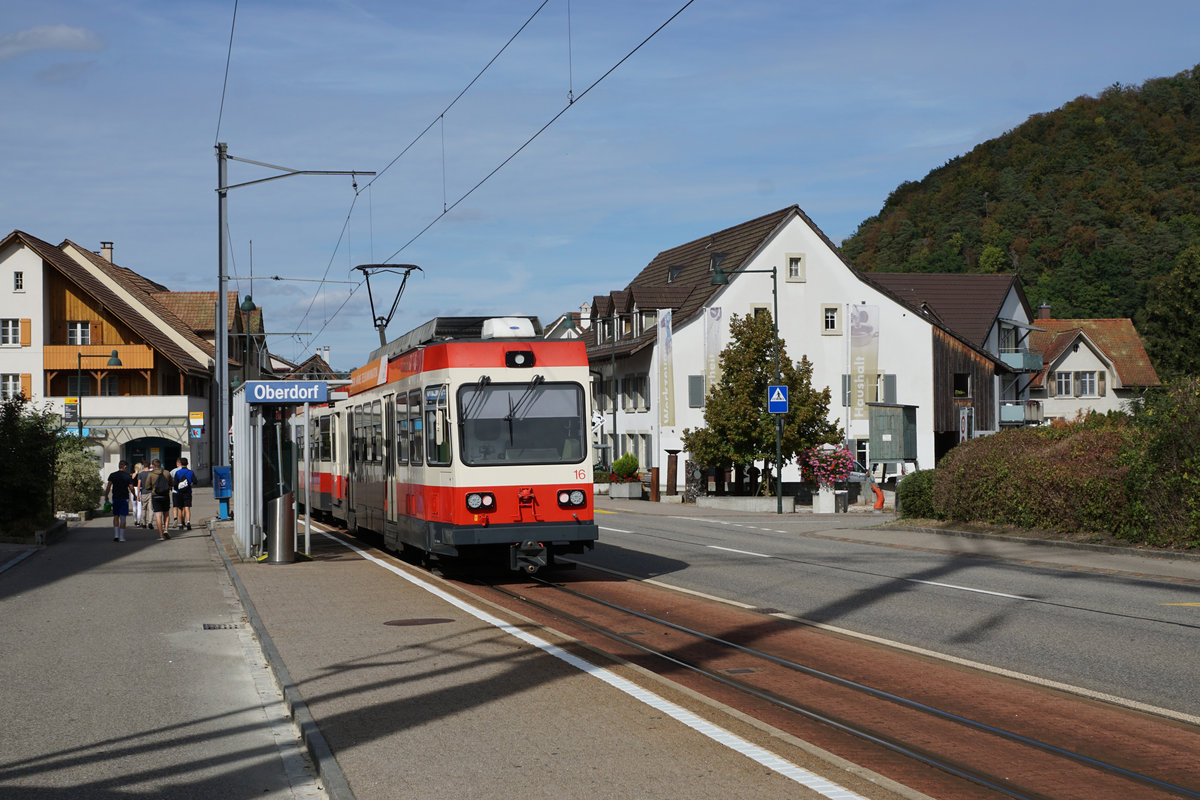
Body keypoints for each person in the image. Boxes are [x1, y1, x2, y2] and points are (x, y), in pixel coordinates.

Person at [103, 461, 135, 542]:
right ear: (124, 467)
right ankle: (121, 537)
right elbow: (131, 487)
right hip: (124, 498)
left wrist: (106, 495)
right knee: (123, 517)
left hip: (115, 497)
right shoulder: (127, 476)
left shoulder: (112, 475)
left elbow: (108, 486)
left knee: (116, 516)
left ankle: (116, 535)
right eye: (126, 467)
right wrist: (135, 495)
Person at [147, 458, 172, 540]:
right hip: (165, 495)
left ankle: (161, 535)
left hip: (155, 496)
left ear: (153, 466)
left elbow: (147, 486)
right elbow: (172, 483)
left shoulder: (151, 474)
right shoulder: (167, 472)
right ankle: (166, 529)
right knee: (166, 513)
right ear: (160, 464)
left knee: (158, 515)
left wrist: (153, 487)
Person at [172, 457, 196, 532]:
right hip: (188, 492)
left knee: (180, 508)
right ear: (187, 463)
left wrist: (177, 488)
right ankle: (188, 522)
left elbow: (175, 484)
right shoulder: (191, 472)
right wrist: (190, 485)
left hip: (179, 493)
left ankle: (181, 524)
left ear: (180, 464)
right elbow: (195, 481)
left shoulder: (178, 472)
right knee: (187, 508)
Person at [135, 462, 154, 528]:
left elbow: (139, 485)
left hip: (143, 492)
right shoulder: (152, 473)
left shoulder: (140, 474)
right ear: (149, 466)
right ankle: (150, 522)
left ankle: (143, 523)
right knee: (150, 508)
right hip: (151, 492)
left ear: (143, 466)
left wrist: (138, 495)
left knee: (143, 508)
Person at [130, 462, 144, 528]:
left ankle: (135, 520)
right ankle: (138, 521)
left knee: (134, 506)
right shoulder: (141, 475)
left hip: (133, 490)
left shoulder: (133, 475)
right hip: (140, 490)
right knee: (139, 506)